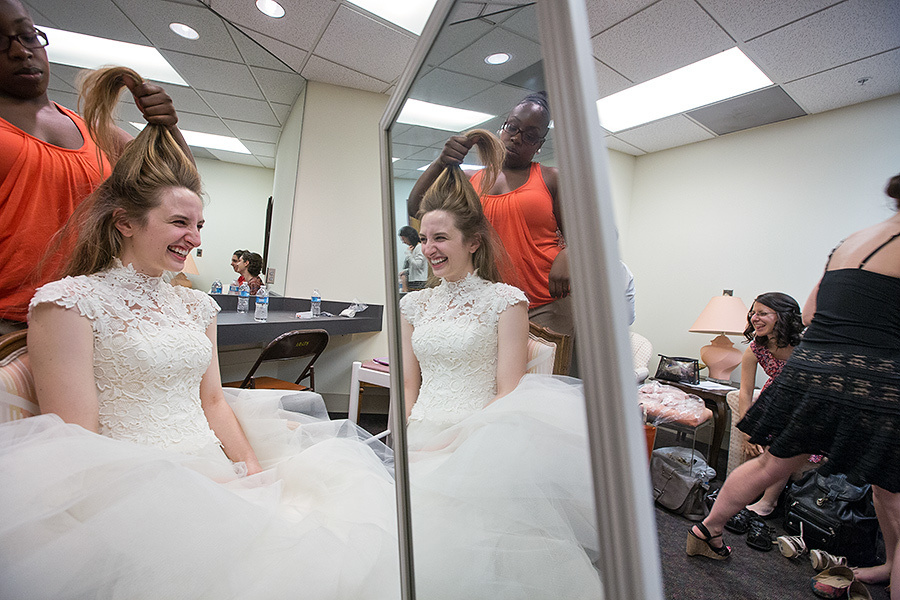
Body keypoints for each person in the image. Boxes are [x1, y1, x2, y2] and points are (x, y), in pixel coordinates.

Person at [1, 67, 400, 599]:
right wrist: (191, 489)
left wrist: (250, 472)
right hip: (130, 484)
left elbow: (212, 401)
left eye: (198, 226)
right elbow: (80, 438)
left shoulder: (195, 305)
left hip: (210, 463)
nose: (192, 239)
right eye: (178, 224)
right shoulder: (68, 302)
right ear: (124, 221)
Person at [399, 128, 603, 597]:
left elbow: (508, 393)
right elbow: (409, 387)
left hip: (476, 439)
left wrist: (450, 443)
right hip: (418, 432)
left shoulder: (505, 301)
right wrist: (407, 440)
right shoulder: (414, 305)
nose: (429, 248)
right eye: (425, 238)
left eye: (441, 238)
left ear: (472, 242)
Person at [687, 173, 900, 600]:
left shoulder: (851, 241)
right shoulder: (754, 349)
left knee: (774, 465)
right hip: (880, 379)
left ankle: (705, 531)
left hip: (814, 370)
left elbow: (810, 311)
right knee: (894, 493)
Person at [0, 0, 192, 333]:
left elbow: (179, 189)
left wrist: (168, 125)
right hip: (11, 320)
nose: (20, 51)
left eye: (28, 35)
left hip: (86, 314)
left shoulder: (96, 133)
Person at [408, 91, 571, 336]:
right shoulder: (471, 178)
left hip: (547, 302)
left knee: (544, 374)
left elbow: (583, 235)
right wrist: (441, 161)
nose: (516, 138)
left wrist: (569, 253)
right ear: (502, 128)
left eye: (530, 136)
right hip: (489, 302)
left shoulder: (551, 178)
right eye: (512, 128)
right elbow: (416, 207)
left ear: (539, 145)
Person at [398, 225, 427, 291]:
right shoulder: (413, 248)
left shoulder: (419, 247)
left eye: (403, 239)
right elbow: (413, 267)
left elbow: (417, 265)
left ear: (409, 237)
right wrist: (405, 271)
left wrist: (408, 254)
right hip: (413, 281)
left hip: (418, 282)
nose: (403, 242)